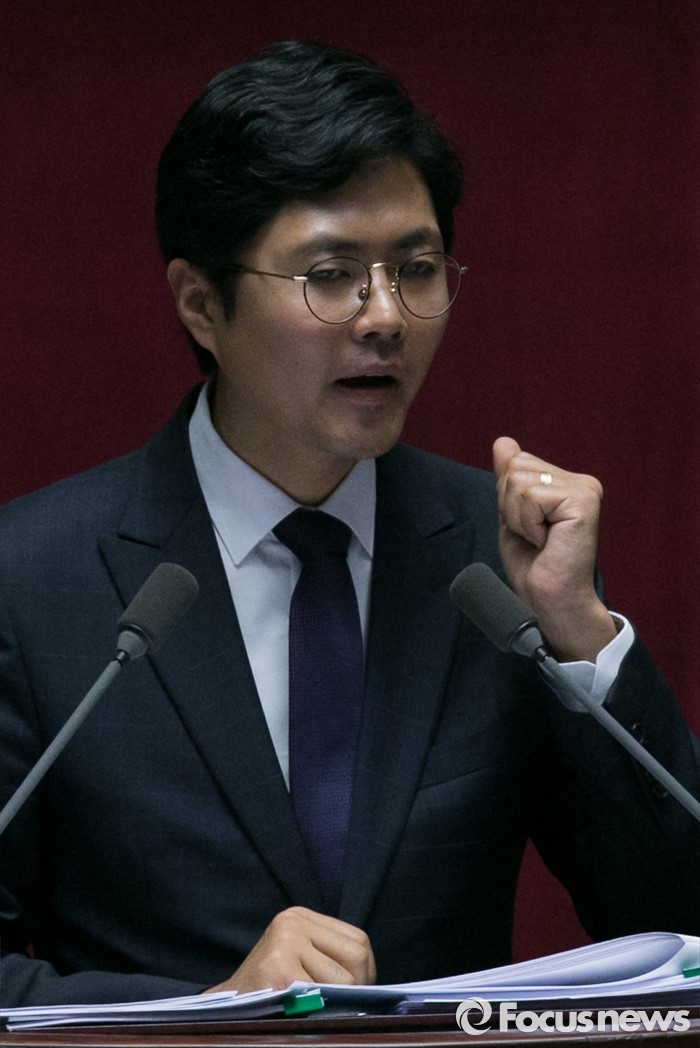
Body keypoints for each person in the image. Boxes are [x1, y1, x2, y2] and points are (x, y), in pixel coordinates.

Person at [0, 40, 698, 1008]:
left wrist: (581, 634)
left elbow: (676, 918)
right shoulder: (32, 580)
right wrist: (207, 1012)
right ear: (201, 303)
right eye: (331, 275)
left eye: (416, 268)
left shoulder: (500, 562)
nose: (385, 317)